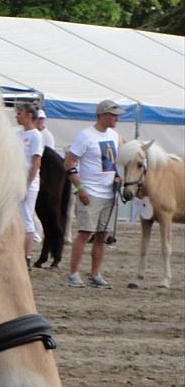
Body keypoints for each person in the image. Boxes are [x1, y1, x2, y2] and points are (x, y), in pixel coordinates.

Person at [64, 99, 124, 287]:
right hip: (90, 191)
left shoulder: (114, 136)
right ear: (102, 115)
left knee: (101, 234)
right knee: (85, 232)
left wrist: (116, 176)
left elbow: (112, 163)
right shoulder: (85, 136)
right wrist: (79, 188)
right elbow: (70, 162)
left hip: (108, 193)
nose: (116, 118)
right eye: (113, 115)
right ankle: (73, 273)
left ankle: (95, 274)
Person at [15, 101, 44, 266]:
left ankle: (26, 256)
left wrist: (27, 184)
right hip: (16, 181)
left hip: (28, 183)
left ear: (29, 116)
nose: (17, 116)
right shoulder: (18, 134)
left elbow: (35, 162)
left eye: (20, 113)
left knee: (26, 218)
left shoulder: (35, 135)